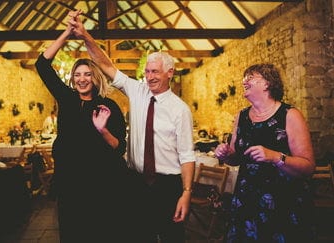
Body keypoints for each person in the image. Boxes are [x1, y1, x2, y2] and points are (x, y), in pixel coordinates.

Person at [69, 10, 196, 242]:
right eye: (147, 71)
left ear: (170, 72)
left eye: (154, 71)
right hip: (136, 181)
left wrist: (186, 193)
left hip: (167, 185)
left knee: (171, 237)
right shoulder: (137, 90)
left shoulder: (180, 110)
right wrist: (85, 35)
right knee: (139, 235)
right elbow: (104, 63)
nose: (149, 77)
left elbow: (187, 155)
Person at [34, 22, 129, 241]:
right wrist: (67, 32)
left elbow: (119, 147)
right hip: (70, 180)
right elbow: (42, 64)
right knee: (71, 231)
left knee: (99, 232)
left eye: (87, 74)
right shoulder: (66, 99)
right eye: (77, 75)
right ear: (72, 78)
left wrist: (103, 129)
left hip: (101, 184)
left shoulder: (109, 106)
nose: (82, 79)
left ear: (95, 77)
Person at [213, 64, 315, 242]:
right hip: (246, 201)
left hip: (282, 202)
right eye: (244, 77)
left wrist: (275, 157)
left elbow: (308, 166)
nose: (244, 81)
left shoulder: (289, 115)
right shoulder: (241, 117)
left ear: (267, 83)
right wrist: (226, 153)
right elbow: (236, 158)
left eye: (250, 77)